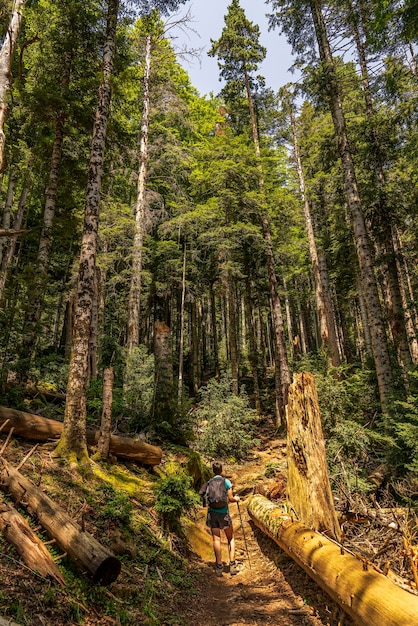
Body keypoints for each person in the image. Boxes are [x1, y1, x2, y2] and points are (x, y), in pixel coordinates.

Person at [205, 461, 240, 577]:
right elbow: (230, 498)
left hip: (212, 514)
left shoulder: (209, 482)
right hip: (224, 513)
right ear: (221, 470)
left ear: (213, 471)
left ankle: (219, 566)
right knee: (230, 538)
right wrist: (236, 499)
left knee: (216, 540)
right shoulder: (226, 482)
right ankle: (232, 565)